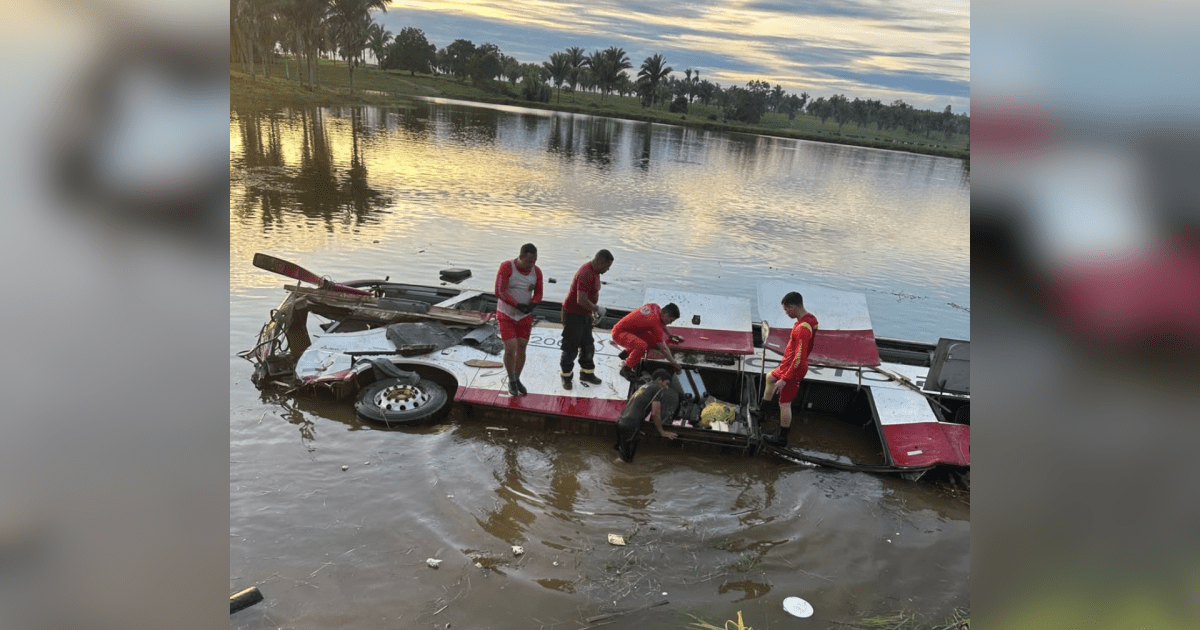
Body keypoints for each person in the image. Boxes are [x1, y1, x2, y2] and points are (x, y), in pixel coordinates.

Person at [759, 291, 818, 446]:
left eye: (786, 310)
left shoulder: (802, 329)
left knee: (784, 403)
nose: (785, 313)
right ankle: (762, 413)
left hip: (794, 369)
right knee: (770, 377)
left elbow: (800, 358)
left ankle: (782, 437)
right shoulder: (808, 319)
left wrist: (785, 379)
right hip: (787, 364)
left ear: (792, 307)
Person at [560, 249, 613, 390]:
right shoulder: (585, 273)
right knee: (570, 349)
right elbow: (581, 300)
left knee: (588, 345)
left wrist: (592, 312)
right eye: (607, 267)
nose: (608, 270)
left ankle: (586, 374)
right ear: (600, 262)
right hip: (573, 314)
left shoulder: (596, 272)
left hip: (585, 314)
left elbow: (591, 294)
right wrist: (597, 309)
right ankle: (566, 377)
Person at [494, 243, 543, 396]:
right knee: (511, 347)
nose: (531, 265)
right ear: (520, 257)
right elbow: (499, 291)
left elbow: (539, 293)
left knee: (522, 346)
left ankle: (517, 379)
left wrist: (533, 304)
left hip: (524, 316)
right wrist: (516, 304)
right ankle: (511, 379)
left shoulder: (537, 272)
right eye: (529, 262)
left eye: (534, 261)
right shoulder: (507, 267)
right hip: (506, 314)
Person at [614, 368, 678, 463]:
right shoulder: (658, 388)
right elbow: (655, 412)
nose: (667, 387)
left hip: (621, 421)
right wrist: (662, 432)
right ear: (659, 380)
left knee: (622, 455)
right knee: (625, 461)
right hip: (631, 425)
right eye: (666, 384)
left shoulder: (644, 386)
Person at [611, 302, 684, 382]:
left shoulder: (655, 307)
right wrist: (674, 363)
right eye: (671, 320)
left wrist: (670, 335)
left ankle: (626, 353)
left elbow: (661, 323)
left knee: (652, 341)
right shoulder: (654, 323)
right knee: (642, 346)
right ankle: (626, 368)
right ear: (666, 315)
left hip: (629, 330)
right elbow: (663, 348)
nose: (671, 323)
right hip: (619, 334)